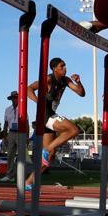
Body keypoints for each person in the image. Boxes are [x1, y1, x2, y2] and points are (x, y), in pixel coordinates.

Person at [25, 58, 85, 190]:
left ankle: (29, 182)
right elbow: (29, 88)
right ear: (54, 69)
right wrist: (38, 101)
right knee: (74, 130)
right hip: (45, 115)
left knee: (50, 157)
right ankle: (46, 150)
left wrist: (78, 82)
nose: (65, 68)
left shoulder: (66, 80)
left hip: (50, 115)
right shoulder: (48, 79)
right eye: (62, 66)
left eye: (65, 65)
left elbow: (81, 93)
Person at [0, 90, 20, 183]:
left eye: (16, 97)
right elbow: (5, 124)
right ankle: (9, 175)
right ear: (11, 99)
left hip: (21, 133)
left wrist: (27, 136)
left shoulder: (22, 108)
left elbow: (27, 123)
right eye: (13, 98)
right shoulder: (7, 109)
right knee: (10, 155)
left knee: (21, 156)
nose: (14, 99)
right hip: (11, 133)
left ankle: (19, 175)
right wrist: (5, 137)